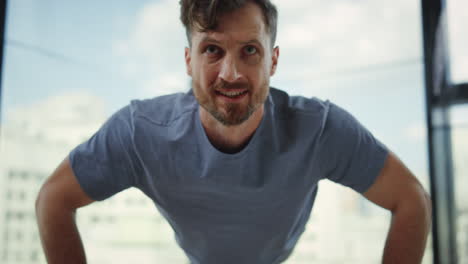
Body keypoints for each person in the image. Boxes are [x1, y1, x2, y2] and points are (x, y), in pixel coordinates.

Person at [35, 0, 432, 263]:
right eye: (212, 50)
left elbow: (411, 198)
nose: (231, 73)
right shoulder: (141, 132)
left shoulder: (320, 129)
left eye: (250, 51)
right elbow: (54, 198)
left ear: (273, 61)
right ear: (188, 60)